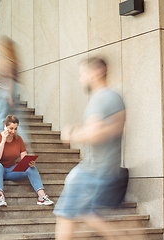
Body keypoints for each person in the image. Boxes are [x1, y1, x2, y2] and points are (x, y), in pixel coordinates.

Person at [53, 58, 126, 240]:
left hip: (93, 169)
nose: (80, 79)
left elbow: (94, 134)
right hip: (107, 168)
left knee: (64, 213)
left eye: (82, 74)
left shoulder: (101, 98)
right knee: (87, 212)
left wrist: (72, 133)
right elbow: (113, 128)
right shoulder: (114, 97)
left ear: (96, 73)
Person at [0, 115, 53, 207]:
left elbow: (24, 158)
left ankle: (41, 196)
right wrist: (3, 141)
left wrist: (30, 163)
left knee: (30, 167)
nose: (13, 131)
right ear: (5, 126)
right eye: (11, 128)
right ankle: (0, 197)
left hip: (9, 171)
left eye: (15, 129)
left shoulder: (19, 139)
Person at [0, 36, 32, 148]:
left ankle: (2, 141)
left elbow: (6, 78)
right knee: (19, 120)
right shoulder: (13, 60)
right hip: (14, 90)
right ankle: (25, 144)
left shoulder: (2, 59)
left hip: (5, 90)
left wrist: (9, 96)